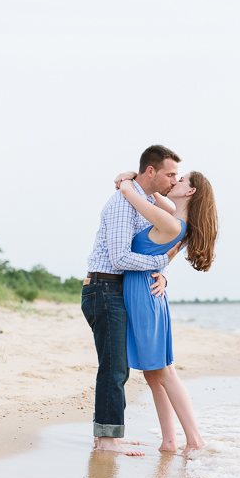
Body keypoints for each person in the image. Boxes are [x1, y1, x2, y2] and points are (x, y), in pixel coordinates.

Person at [81, 145, 182, 456]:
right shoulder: (125, 205)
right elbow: (121, 257)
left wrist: (162, 273)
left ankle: (107, 436)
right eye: (170, 174)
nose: (174, 181)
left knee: (116, 365)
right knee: (114, 368)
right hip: (104, 288)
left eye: (178, 176)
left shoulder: (140, 199)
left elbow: (173, 218)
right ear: (151, 171)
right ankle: (107, 441)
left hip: (114, 289)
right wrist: (160, 264)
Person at [116, 169, 218, 456]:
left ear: (190, 192)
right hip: (146, 289)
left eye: (181, 180)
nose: (175, 181)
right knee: (153, 374)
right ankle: (169, 441)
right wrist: (163, 272)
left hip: (144, 294)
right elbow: (161, 254)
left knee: (164, 371)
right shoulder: (174, 216)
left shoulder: (172, 221)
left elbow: (129, 193)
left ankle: (195, 440)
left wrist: (127, 178)